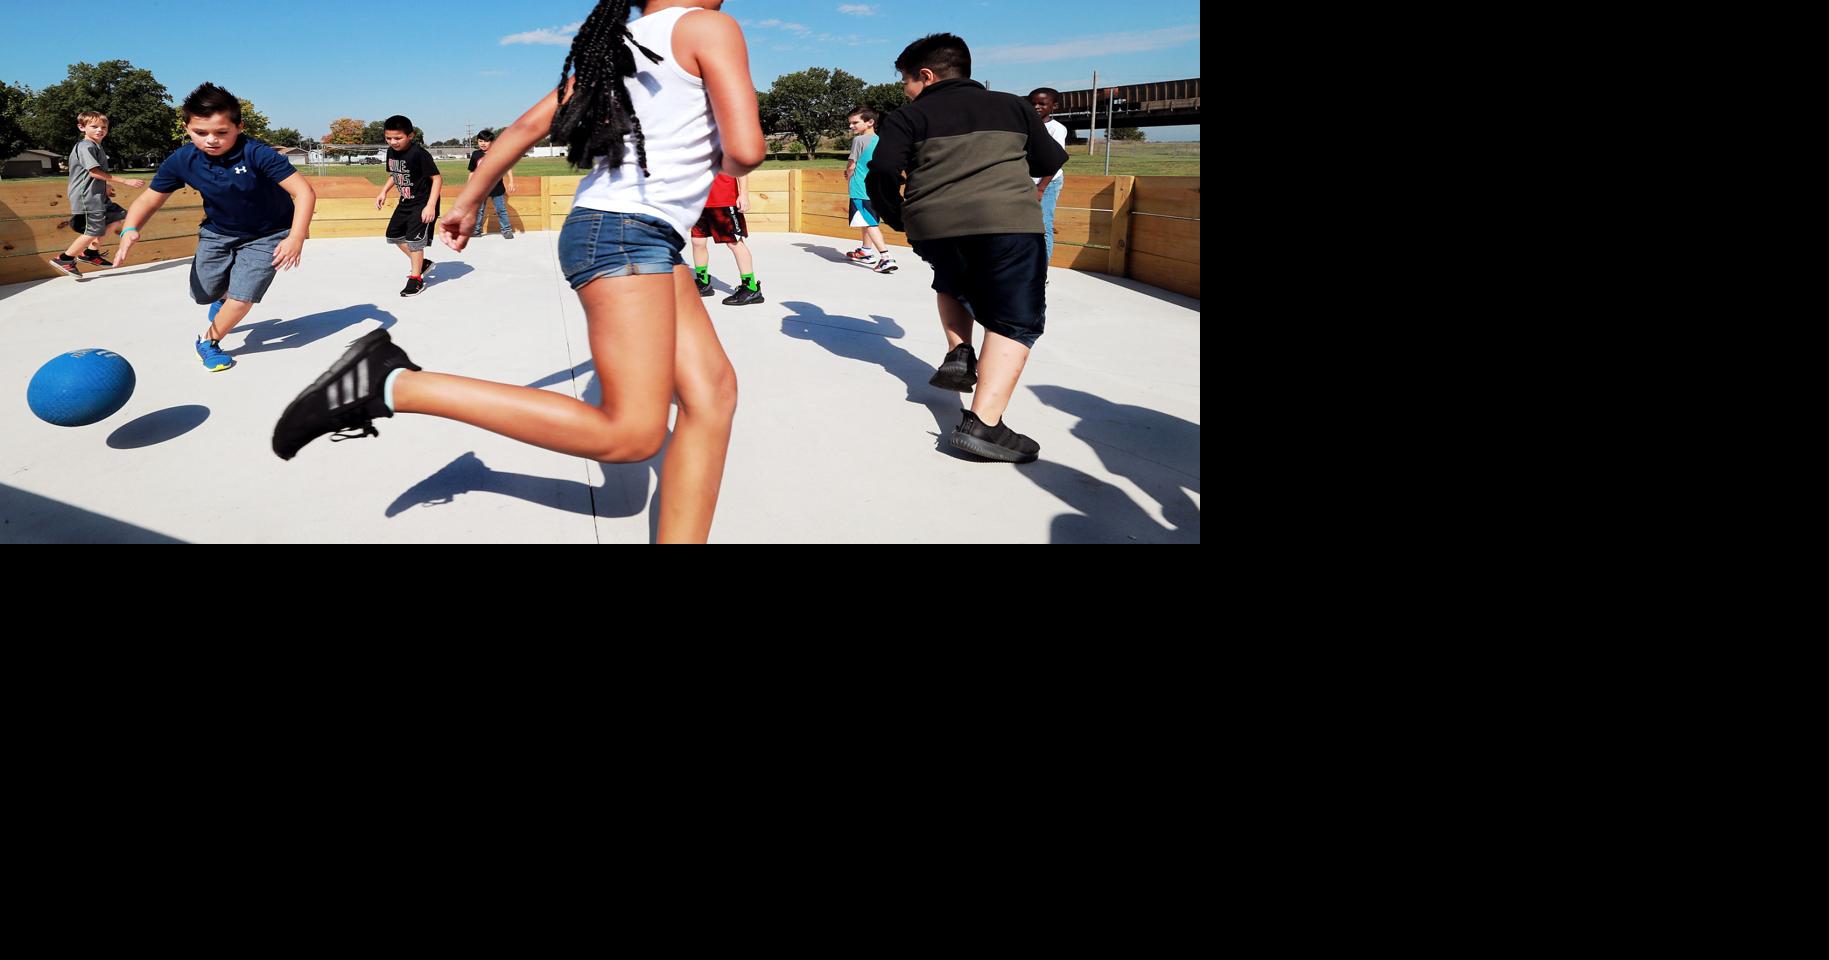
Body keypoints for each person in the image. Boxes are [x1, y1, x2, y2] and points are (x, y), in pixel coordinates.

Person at [272, 0, 764, 545]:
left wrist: (467, 199)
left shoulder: (619, 45)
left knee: (711, 393)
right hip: (627, 232)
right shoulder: (708, 26)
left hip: (628, 230)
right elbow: (745, 150)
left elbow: (530, 124)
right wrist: (713, 153)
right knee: (630, 435)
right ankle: (393, 383)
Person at [865, 33, 1066, 463]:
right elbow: (1049, 162)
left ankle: (959, 353)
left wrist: (899, 215)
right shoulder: (1014, 106)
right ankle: (984, 426)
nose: (905, 90)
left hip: (932, 226)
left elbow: (881, 169)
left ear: (926, 75)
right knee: (1017, 319)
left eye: (906, 81)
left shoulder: (908, 115)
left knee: (953, 278)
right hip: (1005, 222)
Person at [113, 83, 316, 372]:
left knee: (243, 296)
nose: (211, 140)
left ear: (239, 126)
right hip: (218, 232)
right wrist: (130, 229)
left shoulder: (257, 153)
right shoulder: (182, 160)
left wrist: (296, 237)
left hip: (270, 233)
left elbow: (304, 192)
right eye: (201, 132)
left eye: (222, 132)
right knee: (203, 293)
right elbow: (149, 199)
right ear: (187, 128)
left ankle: (209, 342)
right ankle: (221, 302)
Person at [46, 111, 144, 277]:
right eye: (94, 126)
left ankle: (90, 253)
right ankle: (64, 259)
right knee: (93, 231)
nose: (100, 130)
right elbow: (93, 172)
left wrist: (105, 187)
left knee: (119, 216)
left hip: (97, 195)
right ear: (81, 127)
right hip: (87, 198)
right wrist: (125, 181)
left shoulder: (96, 146)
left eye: (103, 127)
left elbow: (90, 174)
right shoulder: (86, 146)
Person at [375, 115, 440, 296]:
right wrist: (383, 192)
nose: (393, 142)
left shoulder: (419, 154)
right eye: (388, 138)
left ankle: (416, 279)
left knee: (414, 241)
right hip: (405, 200)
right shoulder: (391, 152)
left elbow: (437, 179)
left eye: (398, 138)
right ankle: (422, 263)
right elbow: (395, 175)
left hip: (423, 202)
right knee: (393, 235)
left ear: (410, 136)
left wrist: (431, 205)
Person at [689, 172, 764, 304]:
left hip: (724, 200)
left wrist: (744, 194)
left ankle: (751, 288)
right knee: (697, 241)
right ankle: (703, 282)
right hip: (699, 201)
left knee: (734, 244)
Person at [842, 106, 896, 273]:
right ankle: (866, 251)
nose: (851, 126)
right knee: (867, 219)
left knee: (870, 222)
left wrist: (847, 175)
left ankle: (886, 258)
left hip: (860, 187)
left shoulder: (859, 141)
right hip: (876, 188)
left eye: (855, 122)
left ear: (870, 122)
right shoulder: (881, 140)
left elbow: (852, 165)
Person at [468, 128, 516, 239]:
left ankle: (506, 230)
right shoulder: (475, 154)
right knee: (479, 210)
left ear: (492, 142)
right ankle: (476, 231)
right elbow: (472, 171)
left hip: (497, 188)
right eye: (480, 141)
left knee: (500, 209)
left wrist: (511, 182)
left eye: (485, 141)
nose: (482, 143)